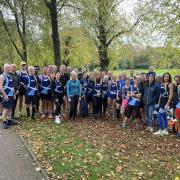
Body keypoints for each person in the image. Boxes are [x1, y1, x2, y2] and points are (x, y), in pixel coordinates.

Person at [0, 64, 18, 129]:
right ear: (4, 68)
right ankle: (4, 122)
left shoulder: (9, 76)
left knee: (10, 109)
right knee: (5, 109)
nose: (8, 69)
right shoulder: (2, 76)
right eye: (7, 68)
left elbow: (11, 86)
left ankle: (9, 120)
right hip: (6, 95)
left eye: (9, 68)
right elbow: (0, 87)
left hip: (11, 95)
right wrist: (5, 95)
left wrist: (14, 94)